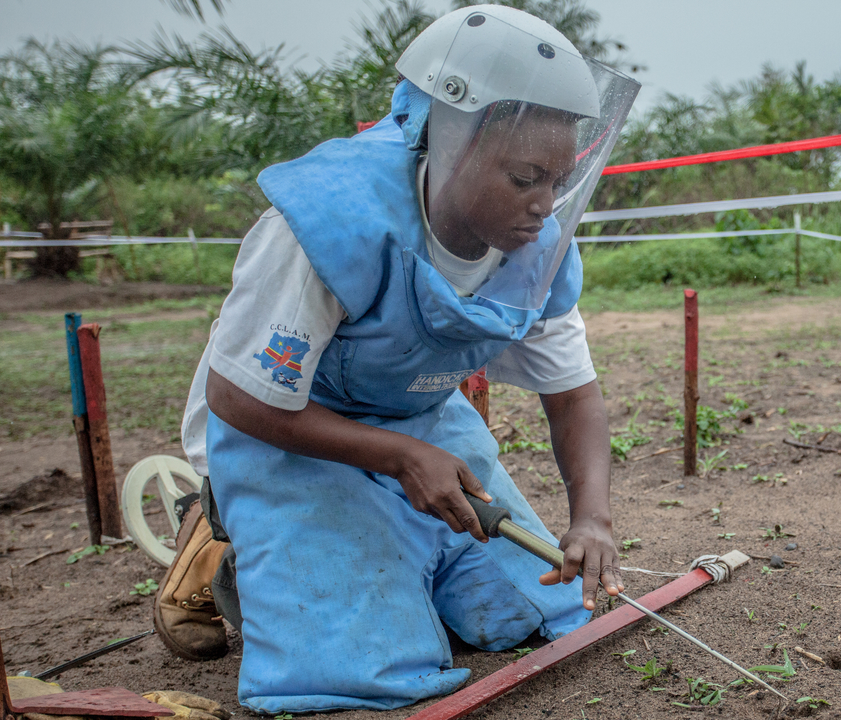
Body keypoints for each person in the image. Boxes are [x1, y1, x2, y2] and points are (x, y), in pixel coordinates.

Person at [152, 5, 640, 713]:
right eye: (525, 177)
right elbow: (238, 399)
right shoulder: (331, 225)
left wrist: (590, 516)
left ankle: (381, 565)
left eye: (558, 183)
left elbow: (573, 396)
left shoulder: (532, 254)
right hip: (281, 430)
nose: (544, 207)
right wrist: (399, 459)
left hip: (417, 419)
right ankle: (228, 547)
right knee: (365, 669)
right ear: (453, 145)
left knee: (529, 614)